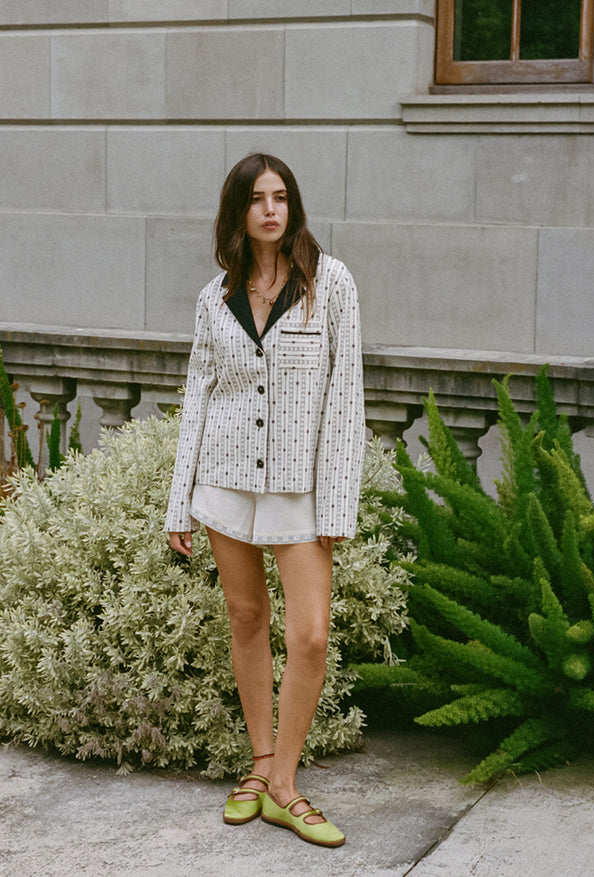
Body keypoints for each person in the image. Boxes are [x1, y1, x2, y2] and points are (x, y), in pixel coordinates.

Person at [165, 153, 365, 848]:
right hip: (223, 478)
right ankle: (260, 766)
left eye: (281, 196)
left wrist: (337, 507)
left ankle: (285, 783)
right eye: (258, 199)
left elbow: (346, 398)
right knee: (246, 615)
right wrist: (178, 501)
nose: (272, 209)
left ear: (293, 206)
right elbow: (199, 396)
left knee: (309, 633)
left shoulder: (329, 283)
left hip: (299, 488)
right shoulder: (213, 296)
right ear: (239, 213)